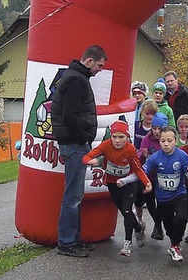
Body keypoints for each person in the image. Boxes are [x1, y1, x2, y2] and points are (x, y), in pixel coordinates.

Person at [51, 45, 107, 257]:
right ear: (90, 61)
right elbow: (69, 116)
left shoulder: (75, 77)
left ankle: (74, 238)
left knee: (76, 194)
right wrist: (84, 137)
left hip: (74, 143)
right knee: (73, 196)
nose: (100, 69)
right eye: (99, 65)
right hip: (74, 143)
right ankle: (66, 242)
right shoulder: (76, 81)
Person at [83, 121, 152, 257]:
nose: (117, 140)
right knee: (124, 211)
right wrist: (91, 161)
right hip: (112, 183)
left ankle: (127, 244)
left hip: (128, 183)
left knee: (127, 210)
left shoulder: (131, 149)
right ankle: (138, 228)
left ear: (127, 137)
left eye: (121, 137)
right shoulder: (106, 145)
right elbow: (87, 157)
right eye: (114, 136)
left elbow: (138, 168)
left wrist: (146, 182)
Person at [142, 126, 188, 262]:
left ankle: (175, 245)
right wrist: (144, 183)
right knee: (169, 226)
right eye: (163, 141)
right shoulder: (155, 157)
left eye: (169, 140)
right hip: (162, 197)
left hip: (179, 193)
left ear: (175, 140)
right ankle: (174, 242)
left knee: (182, 217)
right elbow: (143, 172)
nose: (166, 144)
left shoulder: (182, 156)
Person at [137, 112, 168, 240]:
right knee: (150, 204)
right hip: (149, 177)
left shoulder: (166, 141)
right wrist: (142, 155)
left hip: (161, 177)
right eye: (154, 128)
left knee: (161, 203)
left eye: (159, 129)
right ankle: (158, 225)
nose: (156, 131)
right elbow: (139, 157)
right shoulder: (147, 139)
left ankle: (158, 225)